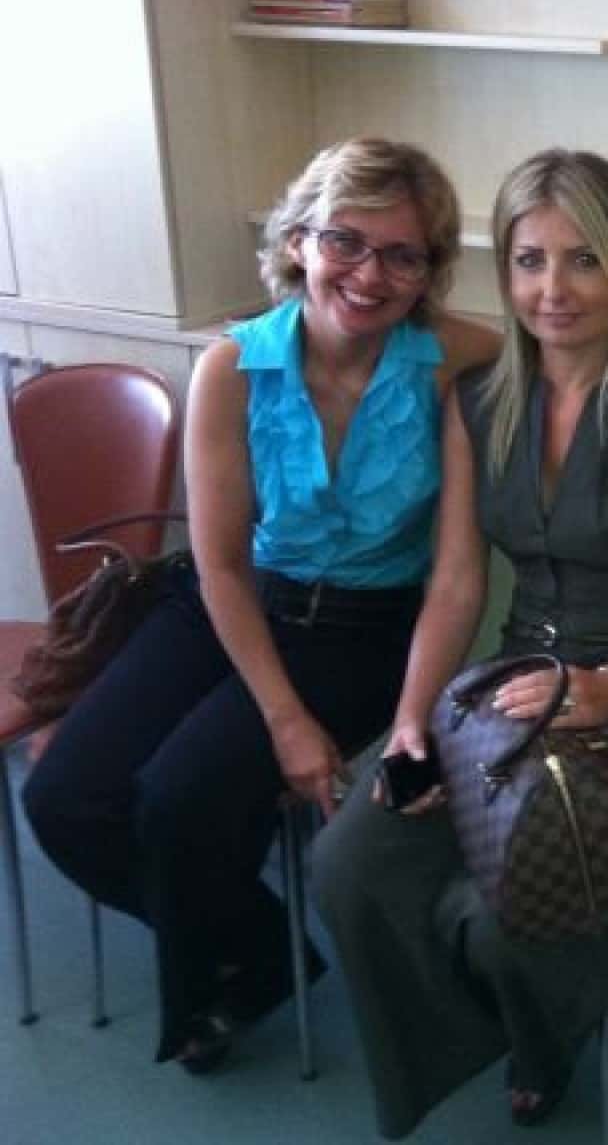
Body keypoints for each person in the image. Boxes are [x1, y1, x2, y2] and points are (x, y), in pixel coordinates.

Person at [22, 138, 498, 1071]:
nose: (369, 275)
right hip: (232, 603)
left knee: (177, 797)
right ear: (298, 242)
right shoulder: (232, 367)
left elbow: (457, 568)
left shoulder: (454, 359)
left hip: (365, 631)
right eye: (345, 240)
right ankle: (257, 947)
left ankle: (218, 976)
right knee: (65, 798)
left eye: (402, 255)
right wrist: (285, 720)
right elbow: (222, 566)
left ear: (429, 272)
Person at [311, 148, 608, 1137]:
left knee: (502, 915)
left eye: (583, 260)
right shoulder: (480, 398)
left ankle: (542, 1034)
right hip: (511, 680)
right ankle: (490, 1029)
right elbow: (455, 582)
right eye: (530, 261)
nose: (553, 289)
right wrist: (412, 719)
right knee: (349, 859)